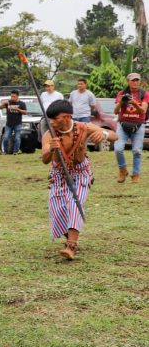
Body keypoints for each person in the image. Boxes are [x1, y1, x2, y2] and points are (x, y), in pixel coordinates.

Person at [42, 100, 117, 260]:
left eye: (55, 119)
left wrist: (103, 134)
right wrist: (51, 150)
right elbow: (45, 159)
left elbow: (114, 136)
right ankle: (70, 235)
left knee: (74, 203)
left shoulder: (83, 127)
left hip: (81, 173)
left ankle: (71, 246)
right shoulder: (49, 134)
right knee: (57, 210)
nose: (52, 122)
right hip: (59, 175)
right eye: (51, 119)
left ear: (67, 117)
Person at [114, 73, 147, 184]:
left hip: (138, 125)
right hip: (123, 125)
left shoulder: (144, 94)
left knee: (137, 151)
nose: (135, 82)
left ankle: (136, 174)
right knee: (118, 148)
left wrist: (134, 103)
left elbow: (143, 111)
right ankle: (122, 170)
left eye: (137, 80)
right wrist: (121, 102)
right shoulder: (121, 93)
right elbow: (115, 111)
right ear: (128, 81)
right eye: (133, 80)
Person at [0, 90, 27, 155]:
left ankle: (15, 151)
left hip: (18, 123)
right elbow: (0, 107)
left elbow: (25, 112)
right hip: (9, 124)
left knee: (17, 138)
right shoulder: (8, 102)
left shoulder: (21, 103)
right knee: (6, 137)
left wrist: (18, 109)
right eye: (11, 96)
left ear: (17, 96)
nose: (12, 98)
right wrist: (4, 103)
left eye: (14, 96)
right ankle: (5, 151)